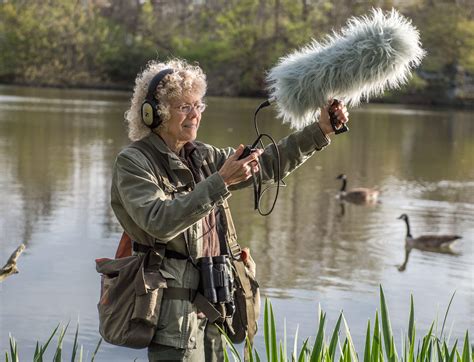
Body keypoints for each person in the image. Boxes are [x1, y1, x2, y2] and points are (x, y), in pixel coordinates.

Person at [110, 58, 349, 361]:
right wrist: (221, 181)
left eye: (199, 106)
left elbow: (267, 163)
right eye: (185, 107)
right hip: (173, 318)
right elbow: (158, 221)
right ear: (154, 114)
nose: (195, 115)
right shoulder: (133, 162)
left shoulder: (204, 156)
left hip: (217, 306)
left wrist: (321, 130)